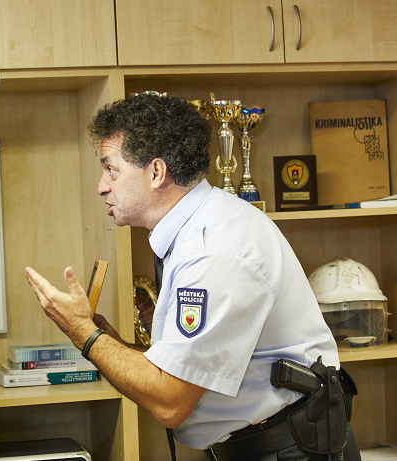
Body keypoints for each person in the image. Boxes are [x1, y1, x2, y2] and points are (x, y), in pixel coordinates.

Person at [25, 93, 360, 461]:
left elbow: (170, 400)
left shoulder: (213, 250)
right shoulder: (201, 229)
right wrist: (106, 340)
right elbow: (182, 366)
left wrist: (84, 334)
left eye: (112, 170)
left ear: (156, 172)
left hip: (290, 450)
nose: (102, 186)